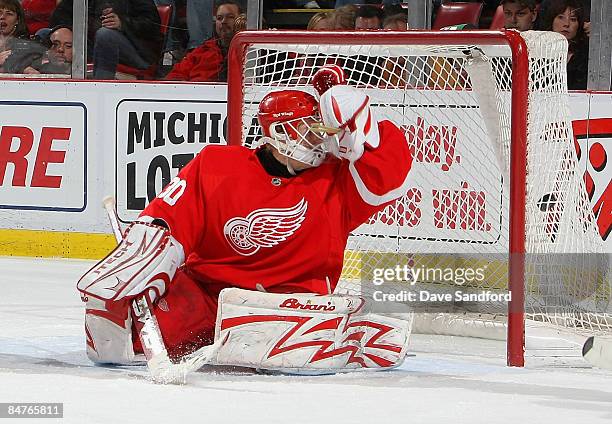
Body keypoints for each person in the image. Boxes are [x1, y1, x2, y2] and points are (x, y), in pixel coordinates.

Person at [77, 66, 413, 370]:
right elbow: (168, 219)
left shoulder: (337, 181)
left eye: (321, 130)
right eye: (307, 130)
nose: (319, 139)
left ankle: (324, 333)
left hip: (289, 304)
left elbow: (391, 175)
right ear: (279, 132)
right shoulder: (217, 165)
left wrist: (368, 129)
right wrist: (144, 263)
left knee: (286, 334)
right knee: (114, 340)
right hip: (210, 294)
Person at [50, 0, 162, 79]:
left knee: (105, 35)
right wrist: (68, 30)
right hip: (90, 48)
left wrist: (123, 23)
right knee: (46, 33)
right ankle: (43, 82)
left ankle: (100, 88)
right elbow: (58, 18)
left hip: (135, 52)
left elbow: (153, 25)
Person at [164, 0, 240, 82]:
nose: (223, 22)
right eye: (219, 18)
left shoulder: (249, 53)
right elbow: (174, 76)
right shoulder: (203, 50)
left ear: (241, 21)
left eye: (230, 17)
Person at [539, 0, 589, 90]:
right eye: (561, 17)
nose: (566, 24)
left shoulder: (586, 54)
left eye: (573, 19)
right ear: (552, 21)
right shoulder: (538, 51)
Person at [0, 0, 30, 72]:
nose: (2, 17)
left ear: (17, 20)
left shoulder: (25, 45)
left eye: (9, 14)